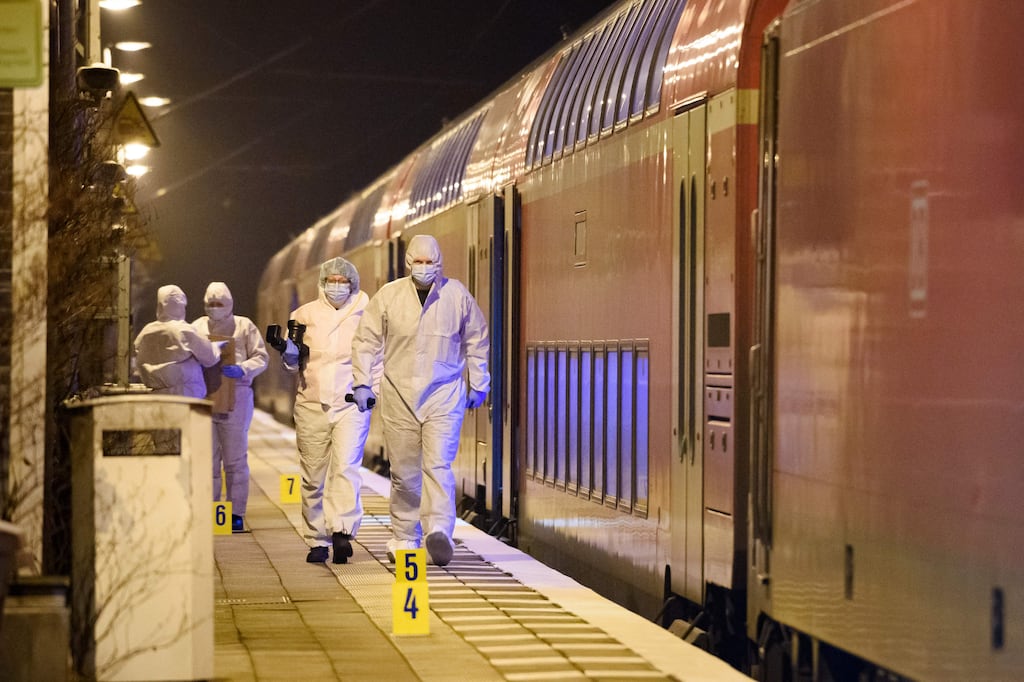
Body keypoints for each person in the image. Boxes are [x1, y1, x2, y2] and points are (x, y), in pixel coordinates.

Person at [351, 234, 489, 567]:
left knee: (438, 464)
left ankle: (439, 530)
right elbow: (366, 342)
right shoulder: (388, 297)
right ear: (408, 262)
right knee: (404, 471)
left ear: (440, 263)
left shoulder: (457, 296)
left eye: (431, 262)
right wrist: (361, 384)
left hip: (444, 395)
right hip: (399, 395)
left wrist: (479, 384)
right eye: (419, 262)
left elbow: (477, 340)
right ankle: (404, 535)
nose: (425, 268)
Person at [283, 257, 374, 564]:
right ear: (322, 283)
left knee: (346, 467)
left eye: (343, 281)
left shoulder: (367, 312)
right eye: (331, 281)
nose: (337, 286)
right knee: (312, 474)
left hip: (352, 403)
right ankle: (316, 539)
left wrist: (370, 388)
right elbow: (290, 363)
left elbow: (378, 355)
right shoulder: (303, 314)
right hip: (312, 403)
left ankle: (342, 531)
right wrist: (289, 353)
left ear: (353, 283)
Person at [193, 282, 269, 534]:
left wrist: (243, 369)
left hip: (236, 398)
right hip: (205, 399)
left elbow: (261, 357)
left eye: (220, 304)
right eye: (211, 304)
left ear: (230, 304)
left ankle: (235, 512)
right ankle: (213, 510)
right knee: (209, 461)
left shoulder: (244, 326)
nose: (215, 309)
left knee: (235, 459)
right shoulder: (197, 328)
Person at [134, 285, 221, 398]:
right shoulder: (184, 330)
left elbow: (139, 359)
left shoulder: (146, 332)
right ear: (180, 305)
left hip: (157, 395)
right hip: (185, 394)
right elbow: (210, 358)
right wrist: (217, 347)